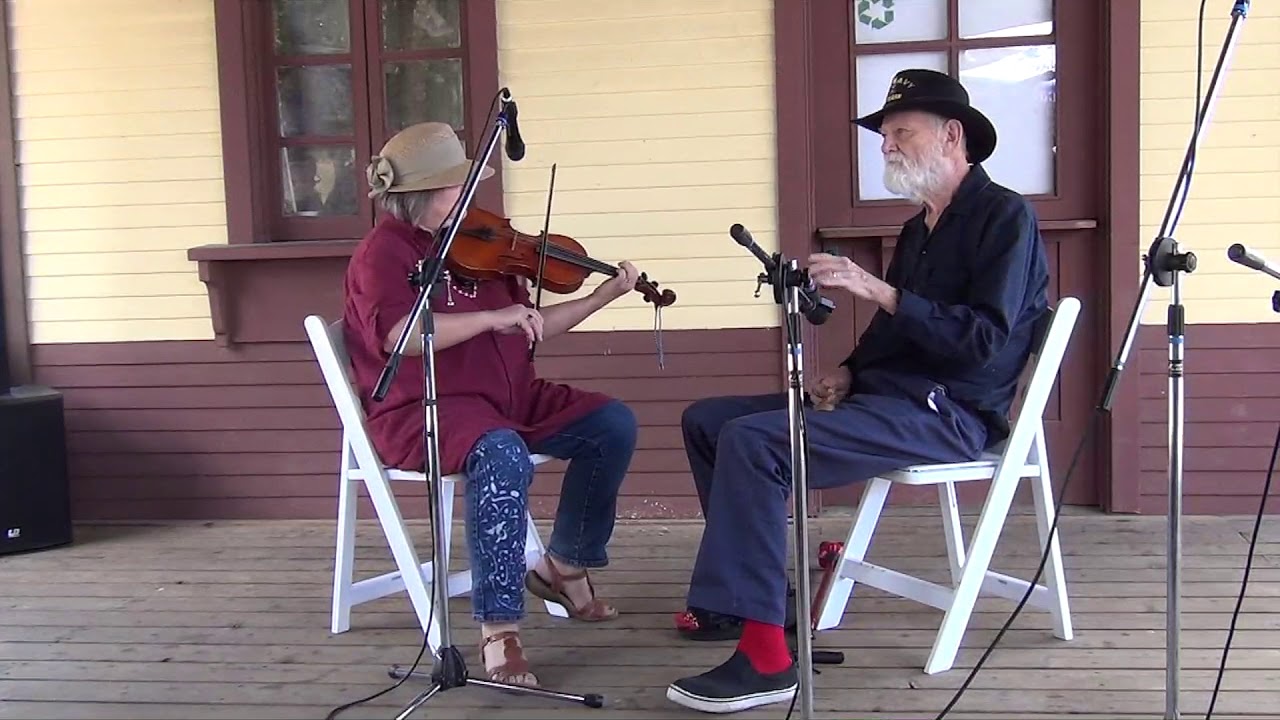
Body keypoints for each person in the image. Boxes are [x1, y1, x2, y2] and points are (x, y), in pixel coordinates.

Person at [666, 68, 1051, 713]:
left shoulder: (1004, 216)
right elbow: (889, 333)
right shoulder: (921, 225)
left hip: (949, 412)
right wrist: (846, 372)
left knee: (757, 443)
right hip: (888, 398)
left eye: (901, 131)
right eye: (884, 135)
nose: (886, 146)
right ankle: (766, 602)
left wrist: (879, 289)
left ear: (952, 136)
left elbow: (984, 341)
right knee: (708, 419)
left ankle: (766, 658)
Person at [341, 121, 640, 689]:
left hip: (510, 400)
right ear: (422, 194)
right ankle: (499, 629)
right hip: (426, 410)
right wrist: (489, 318)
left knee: (611, 424)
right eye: (457, 188)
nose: (468, 198)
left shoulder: (477, 241)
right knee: (500, 455)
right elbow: (397, 334)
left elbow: (533, 326)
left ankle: (565, 564)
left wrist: (602, 295)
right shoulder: (384, 252)